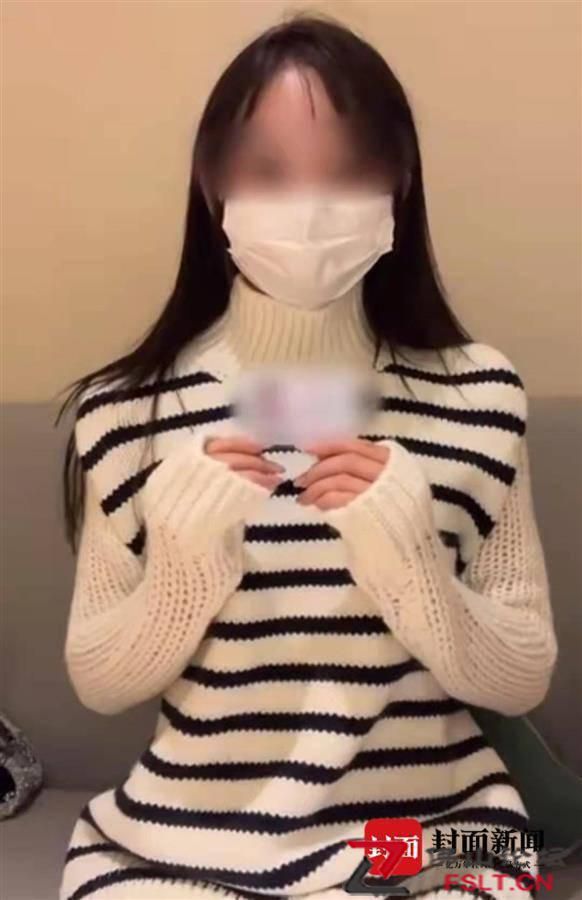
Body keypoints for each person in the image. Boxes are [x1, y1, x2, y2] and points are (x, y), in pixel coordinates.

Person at [56, 13, 558, 900]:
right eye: (270, 170)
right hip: (193, 837)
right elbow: (98, 679)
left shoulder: (480, 393)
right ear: (213, 183)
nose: (312, 207)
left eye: (350, 170)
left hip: (434, 832)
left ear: (400, 182)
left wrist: (411, 565)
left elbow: (522, 675)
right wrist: (182, 568)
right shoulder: (127, 411)